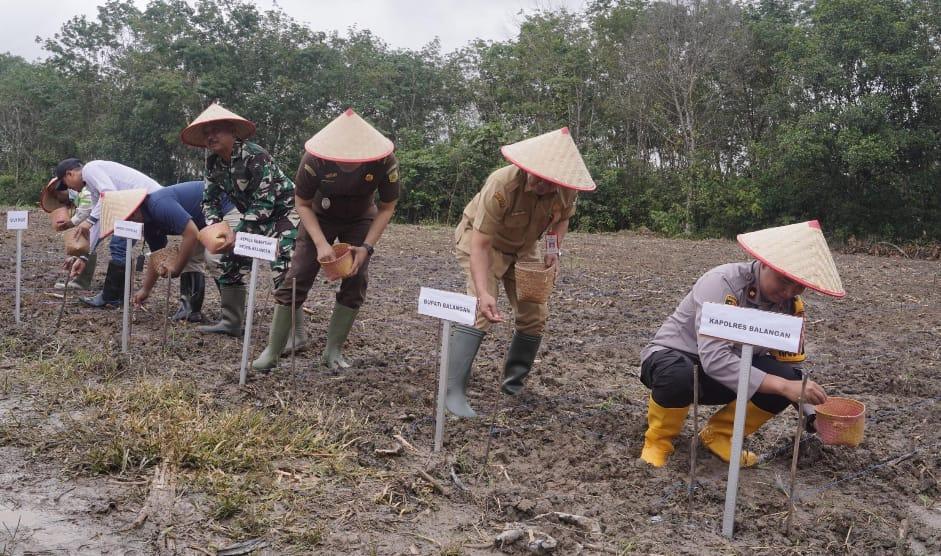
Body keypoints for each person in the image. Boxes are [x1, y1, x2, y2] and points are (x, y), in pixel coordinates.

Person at [637, 220, 845, 468]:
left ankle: (720, 435)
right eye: (783, 280)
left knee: (787, 378)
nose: (789, 291)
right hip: (675, 359)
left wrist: (813, 414)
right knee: (680, 375)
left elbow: (791, 371)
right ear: (766, 264)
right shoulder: (723, 282)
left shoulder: (791, 308)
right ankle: (658, 441)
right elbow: (714, 359)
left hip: (728, 372)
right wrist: (782, 385)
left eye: (799, 286)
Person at [445, 127, 596, 418]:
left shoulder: (566, 189)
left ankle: (512, 386)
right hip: (485, 246)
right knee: (480, 309)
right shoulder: (501, 184)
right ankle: (453, 392)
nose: (540, 184)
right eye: (537, 177)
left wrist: (553, 248)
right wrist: (484, 292)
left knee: (534, 314)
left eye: (548, 182)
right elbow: (480, 245)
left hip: (525, 249)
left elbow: (561, 220)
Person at [252, 108, 400, 372]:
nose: (348, 162)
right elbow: (302, 203)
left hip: (361, 220)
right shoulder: (314, 160)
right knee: (297, 276)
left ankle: (333, 351)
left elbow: (387, 207)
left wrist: (367, 247)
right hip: (318, 217)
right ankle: (272, 351)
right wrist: (321, 243)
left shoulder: (385, 162)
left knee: (356, 278)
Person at [180, 102, 298, 336]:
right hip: (252, 216)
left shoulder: (255, 156)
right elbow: (209, 200)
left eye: (217, 130)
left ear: (233, 131)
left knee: (284, 267)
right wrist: (215, 228)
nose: (211, 137)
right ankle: (232, 322)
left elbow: (265, 203)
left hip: (283, 214)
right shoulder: (213, 164)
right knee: (228, 260)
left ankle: (295, 334)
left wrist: (238, 233)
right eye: (206, 132)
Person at [40, 159, 163, 307]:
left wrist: (89, 221)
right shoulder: (93, 188)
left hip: (147, 201)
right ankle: (119, 298)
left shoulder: (90, 169)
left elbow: (109, 195)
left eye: (66, 184)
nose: (70, 189)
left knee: (119, 245)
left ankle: (112, 298)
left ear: (70, 174)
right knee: (139, 248)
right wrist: (84, 256)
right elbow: (98, 220)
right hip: (138, 205)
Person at [128, 181, 236, 321]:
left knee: (215, 256)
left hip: (225, 205)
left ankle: (232, 318)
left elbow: (190, 234)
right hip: (202, 220)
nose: (131, 220)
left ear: (136, 208)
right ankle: (190, 310)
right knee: (190, 258)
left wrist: (177, 268)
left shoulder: (158, 204)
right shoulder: (149, 223)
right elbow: (158, 255)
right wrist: (145, 289)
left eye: (130, 216)